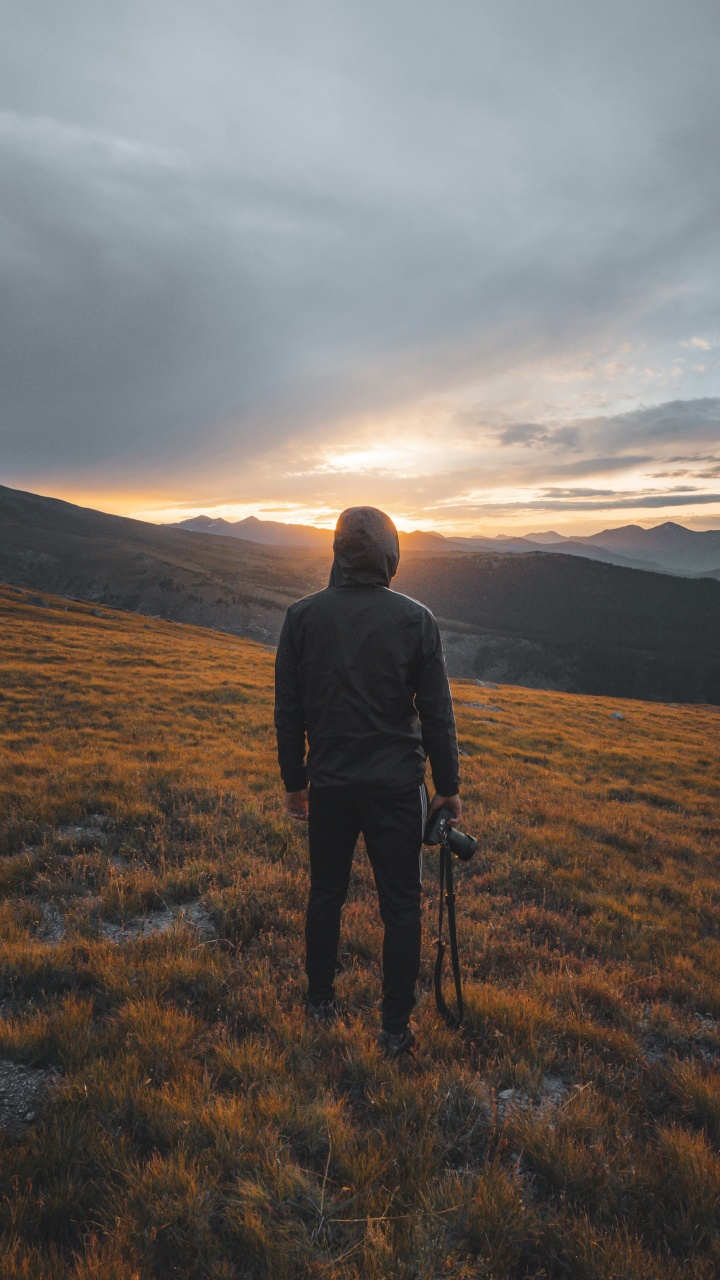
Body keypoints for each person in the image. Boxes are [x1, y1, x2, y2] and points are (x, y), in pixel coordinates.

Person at [274, 505, 461, 1057]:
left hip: (329, 785)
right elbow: (436, 712)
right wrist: (446, 786)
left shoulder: (302, 617)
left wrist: (294, 780)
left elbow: (290, 709)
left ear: (336, 551)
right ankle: (395, 1030)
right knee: (401, 905)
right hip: (396, 789)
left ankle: (319, 1003)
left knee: (325, 894)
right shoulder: (415, 619)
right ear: (390, 555)